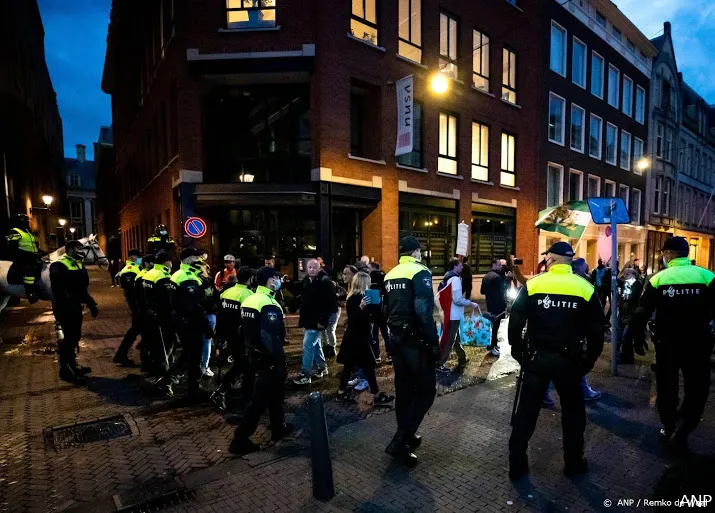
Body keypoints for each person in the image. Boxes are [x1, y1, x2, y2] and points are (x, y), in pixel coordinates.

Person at [508, 242, 605, 480]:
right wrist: (588, 361)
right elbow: (597, 330)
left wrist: (519, 353)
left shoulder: (534, 285)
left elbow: (515, 322)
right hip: (569, 362)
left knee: (526, 412)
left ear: (550, 260)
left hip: (537, 359)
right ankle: (573, 462)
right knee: (573, 413)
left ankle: (517, 464)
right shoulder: (585, 288)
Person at [623, 237, 715, 448]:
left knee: (666, 386)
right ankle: (685, 425)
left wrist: (634, 339)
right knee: (697, 387)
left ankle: (668, 424)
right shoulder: (707, 276)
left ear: (669, 254)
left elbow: (642, 312)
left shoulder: (658, 279)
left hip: (667, 343)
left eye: (664, 253)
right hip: (699, 344)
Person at [383, 236, 440, 466]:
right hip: (415, 342)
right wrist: (433, 342)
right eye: (420, 252)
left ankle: (405, 434)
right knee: (427, 390)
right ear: (415, 252)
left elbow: (385, 309)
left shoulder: (390, 274)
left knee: (404, 390)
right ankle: (401, 439)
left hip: (397, 340)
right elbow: (424, 311)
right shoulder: (419, 271)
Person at [229, 266, 294, 455]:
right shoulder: (268, 303)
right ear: (271, 281)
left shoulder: (250, 299)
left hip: (254, 355)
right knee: (259, 401)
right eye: (277, 278)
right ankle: (239, 440)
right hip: (268, 359)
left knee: (275, 396)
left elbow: (243, 330)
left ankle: (278, 427)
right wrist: (279, 362)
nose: (279, 281)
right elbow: (270, 336)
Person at [543, 257, 601, 405]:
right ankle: (579, 392)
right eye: (585, 265)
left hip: (565, 333)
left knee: (565, 366)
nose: (588, 267)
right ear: (580, 268)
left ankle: (582, 390)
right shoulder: (580, 284)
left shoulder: (579, 282)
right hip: (571, 334)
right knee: (569, 366)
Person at [157, 248, 214, 399]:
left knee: (188, 355)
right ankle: (192, 389)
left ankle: (169, 380)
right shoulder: (188, 278)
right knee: (194, 356)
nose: (201, 261)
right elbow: (194, 306)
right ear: (190, 260)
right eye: (198, 258)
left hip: (182, 321)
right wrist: (206, 326)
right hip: (190, 324)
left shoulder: (179, 274)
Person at [337, 272, 394, 405]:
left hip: (359, 337)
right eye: (367, 282)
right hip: (356, 338)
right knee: (362, 366)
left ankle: (343, 392)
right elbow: (353, 320)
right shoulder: (354, 299)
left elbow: (372, 316)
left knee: (356, 366)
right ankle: (376, 395)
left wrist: (377, 305)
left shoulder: (364, 297)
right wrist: (361, 307)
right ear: (363, 283)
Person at [50, 240, 99, 383]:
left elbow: (82, 289)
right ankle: (64, 369)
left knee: (75, 336)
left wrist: (91, 303)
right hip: (64, 307)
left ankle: (73, 365)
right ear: (70, 249)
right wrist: (69, 303)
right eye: (78, 248)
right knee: (69, 338)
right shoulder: (58, 265)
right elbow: (58, 289)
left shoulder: (77, 263)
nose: (81, 251)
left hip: (75, 306)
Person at [211, 267, 255, 411]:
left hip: (227, 334)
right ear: (250, 279)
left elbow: (220, 313)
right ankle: (224, 391)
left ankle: (228, 390)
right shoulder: (248, 294)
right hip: (240, 336)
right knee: (245, 364)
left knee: (241, 363)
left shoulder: (226, 292)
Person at [293, 258, 337, 385]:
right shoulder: (308, 281)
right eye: (310, 267)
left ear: (319, 268)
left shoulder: (324, 282)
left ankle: (305, 374)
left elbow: (330, 304)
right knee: (315, 345)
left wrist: (322, 321)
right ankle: (322, 368)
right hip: (309, 320)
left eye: (314, 267)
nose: (311, 269)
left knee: (308, 345)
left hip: (316, 321)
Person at [437, 257, 478, 372]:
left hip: (448, 312)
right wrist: (471, 303)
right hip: (453, 314)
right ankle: (440, 363)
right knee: (450, 339)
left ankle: (462, 357)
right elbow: (457, 300)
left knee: (455, 337)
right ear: (455, 266)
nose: (462, 267)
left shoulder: (447, 277)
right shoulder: (455, 279)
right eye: (460, 265)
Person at [141, 251, 175, 376]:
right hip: (163, 314)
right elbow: (166, 299)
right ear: (166, 262)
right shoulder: (163, 276)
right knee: (167, 342)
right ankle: (162, 369)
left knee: (155, 342)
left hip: (151, 312)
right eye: (170, 261)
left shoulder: (149, 274)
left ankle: (153, 365)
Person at [113, 249, 143, 366]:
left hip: (137, 304)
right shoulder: (129, 270)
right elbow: (132, 291)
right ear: (132, 257)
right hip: (136, 305)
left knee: (138, 329)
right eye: (138, 257)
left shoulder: (135, 268)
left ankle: (123, 355)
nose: (140, 259)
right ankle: (121, 355)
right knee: (135, 330)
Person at [6, 213, 41, 303]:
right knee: (28, 271)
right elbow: (13, 248)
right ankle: (30, 294)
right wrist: (28, 255)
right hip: (22, 259)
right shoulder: (15, 231)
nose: (27, 222)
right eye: (25, 221)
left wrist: (40, 252)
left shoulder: (28, 232)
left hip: (32, 257)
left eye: (27, 220)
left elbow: (33, 245)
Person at [480, 259, 507, 357]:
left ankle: (491, 344)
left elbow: (482, 291)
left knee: (491, 325)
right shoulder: (498, 278)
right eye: (499, 265)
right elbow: (501, 293)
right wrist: (504, 305)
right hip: (498, 306)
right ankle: (493, 345)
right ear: (494, 265)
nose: (501, 266)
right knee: (496, 326)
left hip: (489, 304)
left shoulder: (486, 276)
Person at [133, 253, 156, 371]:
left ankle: (146, 361)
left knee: (147, 338)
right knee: (148, 338)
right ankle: (146, 363)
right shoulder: (143, 276)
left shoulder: (142, 275)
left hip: (143, 311)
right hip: (145, 311)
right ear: (146, 264)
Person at [616, 268, 643, 365]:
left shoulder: (636, 284)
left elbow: (633, 297)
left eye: (628, 273)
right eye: (625, 273)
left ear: (634, 275)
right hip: (623, 314)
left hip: (631, 315)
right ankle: (624, 356)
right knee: (620, 336)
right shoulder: (625, 283)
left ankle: (626, 357)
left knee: (626, 337)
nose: (625, 275)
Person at [368, 261, 390, 364]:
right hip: (384, 310)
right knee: (386, 333)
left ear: (372, 268)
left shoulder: (371, 278)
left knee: (374, 334)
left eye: (369, 268)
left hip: (374, 310)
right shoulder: (385, 277)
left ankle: (376, 356)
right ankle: (390, 354)